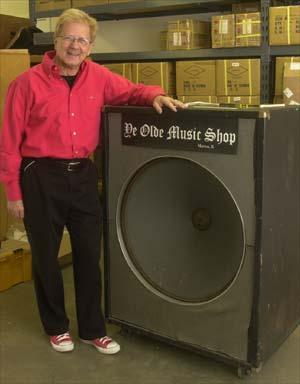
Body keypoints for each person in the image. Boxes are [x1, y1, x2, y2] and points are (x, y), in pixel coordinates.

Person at [0, 8, 185, 354]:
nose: (74, 45)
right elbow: (8, 143)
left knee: (89, 254)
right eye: (68, 37)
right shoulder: (25, 84)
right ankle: (56, 326)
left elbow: (134, 91)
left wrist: (155, 94)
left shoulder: (99, 77)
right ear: (55, 41)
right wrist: (13, 192)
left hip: (83, 174)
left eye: (81, 40)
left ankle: (92, 329)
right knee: (45, 258)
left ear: (90, 46)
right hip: (39, 175)